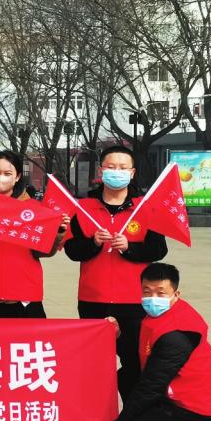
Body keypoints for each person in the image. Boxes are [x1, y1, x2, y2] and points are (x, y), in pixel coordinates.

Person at [64, 145, 168, 402]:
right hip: (93, 299)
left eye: (123, 167)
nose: (117, 172)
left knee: (135, 363)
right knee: (94, 365)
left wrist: (129, 248)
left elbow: (159, 249)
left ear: (132, 173)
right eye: (111, 167)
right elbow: (72, 251)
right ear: (102, 171)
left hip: (134, 301)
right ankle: (97, 417)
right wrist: (93, 243)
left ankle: (132, 419)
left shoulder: (146, 207)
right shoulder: (84, 207)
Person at [108, 263, 211, 421]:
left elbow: (152, 385)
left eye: (161, 293)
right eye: (147, 291)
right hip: (172, 400)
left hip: (198, 415)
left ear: (175, 294)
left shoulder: (178, 334)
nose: (153, 299)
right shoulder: (159, 315)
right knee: (127, 376)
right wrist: (118, 335)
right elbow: (141, 357)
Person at [0, 150, 69, 318]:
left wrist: (57, 231)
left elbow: (44, 251)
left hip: (25, 294)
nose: (1, 178)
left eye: (7, 173)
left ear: (17, 176)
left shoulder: (33, 209)